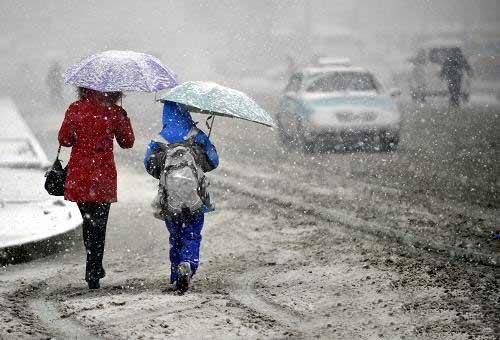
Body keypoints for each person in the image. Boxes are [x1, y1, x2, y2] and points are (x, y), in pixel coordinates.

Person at [58, 87, 135, 289]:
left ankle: (93, 267)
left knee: (89, 222)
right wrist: (123, 117)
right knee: (99, 225)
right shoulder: (114, 112)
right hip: (103, 177)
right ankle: (93, 269)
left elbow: (64, 140)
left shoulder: (76, 109)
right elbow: (127, 142)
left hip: (80, 175)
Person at [144, 101, 218, 293]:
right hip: (195, 199)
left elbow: (149, 165)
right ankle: (188, 263)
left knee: (175, 237)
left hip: (170, 201)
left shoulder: (159, 139)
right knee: (192, 234)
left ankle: (176, 275)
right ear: (185, 111)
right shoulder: (195, 135)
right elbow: (213, 162)